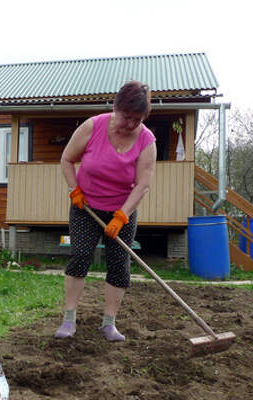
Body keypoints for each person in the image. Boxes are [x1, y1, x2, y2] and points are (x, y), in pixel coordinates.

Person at [55, 81, 157, 342]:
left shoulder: (146, 141)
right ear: (115, 107)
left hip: (122, 210)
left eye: (137, 119)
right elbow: (67, 159)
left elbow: (143, 184)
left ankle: (109, 324)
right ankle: (69, 319)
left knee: (119, 265)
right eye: (126, 117)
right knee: (80, 256)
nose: (131, 124)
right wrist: (74, 189)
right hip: (86, 207)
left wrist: (122, 215)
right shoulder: (93, 126)